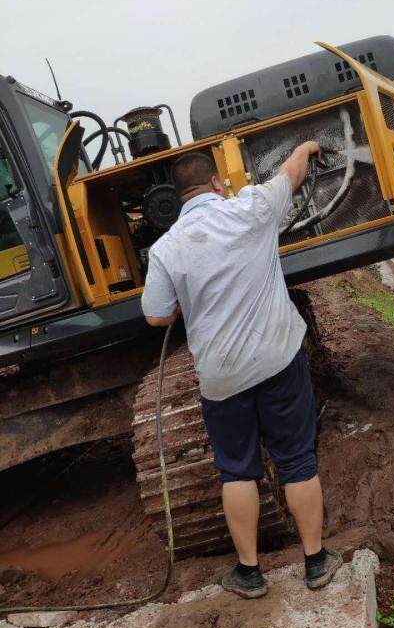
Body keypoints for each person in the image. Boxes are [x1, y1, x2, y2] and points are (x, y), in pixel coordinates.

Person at [141, 142, 342, 599]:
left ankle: (249, 573)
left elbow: (155, 316)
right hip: (277, 360)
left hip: (221, 377)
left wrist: (183, 302)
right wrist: (307, 147)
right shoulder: (251, 207)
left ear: (178, 198)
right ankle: (315, 562)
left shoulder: (165, 249)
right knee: (296, 459)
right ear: (216, 183)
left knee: (236, 471)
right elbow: (290, 174)